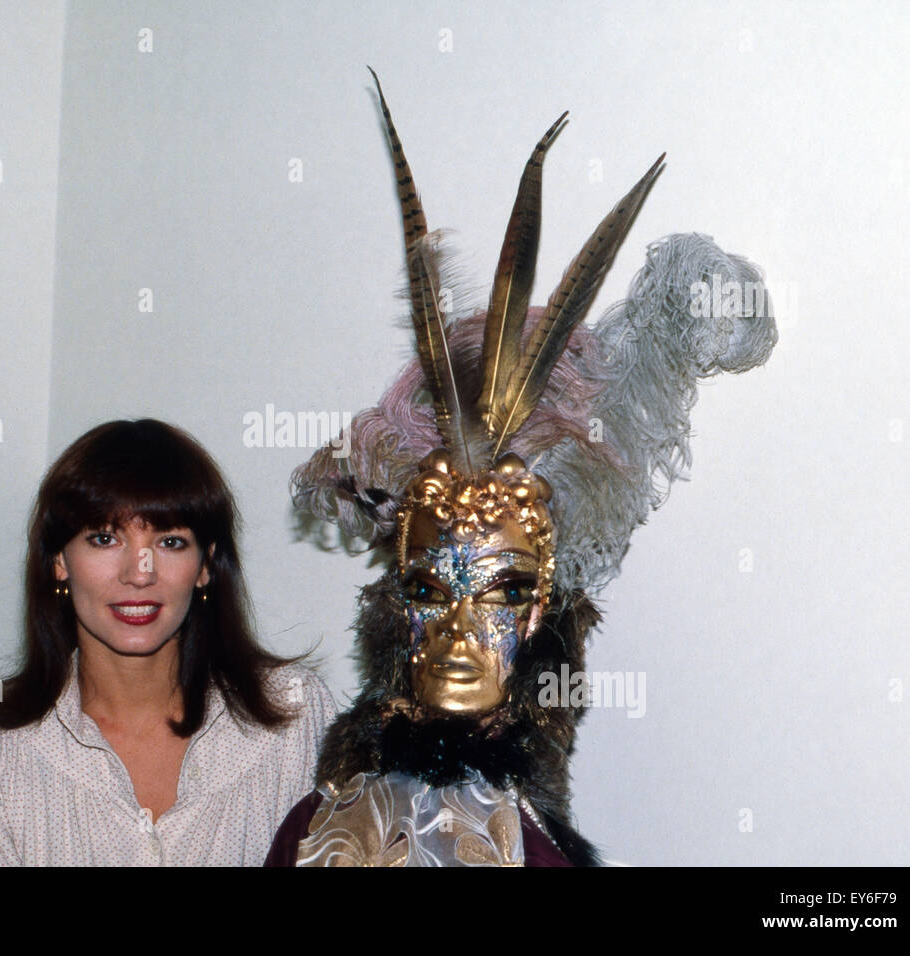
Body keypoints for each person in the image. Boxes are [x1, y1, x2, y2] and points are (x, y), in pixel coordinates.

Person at [265, 69, 777, 866]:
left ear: (544, 610)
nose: (462, 633)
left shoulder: (529, 844)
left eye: (503, 590)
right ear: (397, 604)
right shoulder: (321, 834)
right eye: (431, 588)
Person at [0, 418, 334, 865]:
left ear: (206, 565)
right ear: (58, 562)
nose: (139, 572)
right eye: (105, 539)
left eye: (170, 541)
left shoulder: (295, 719)